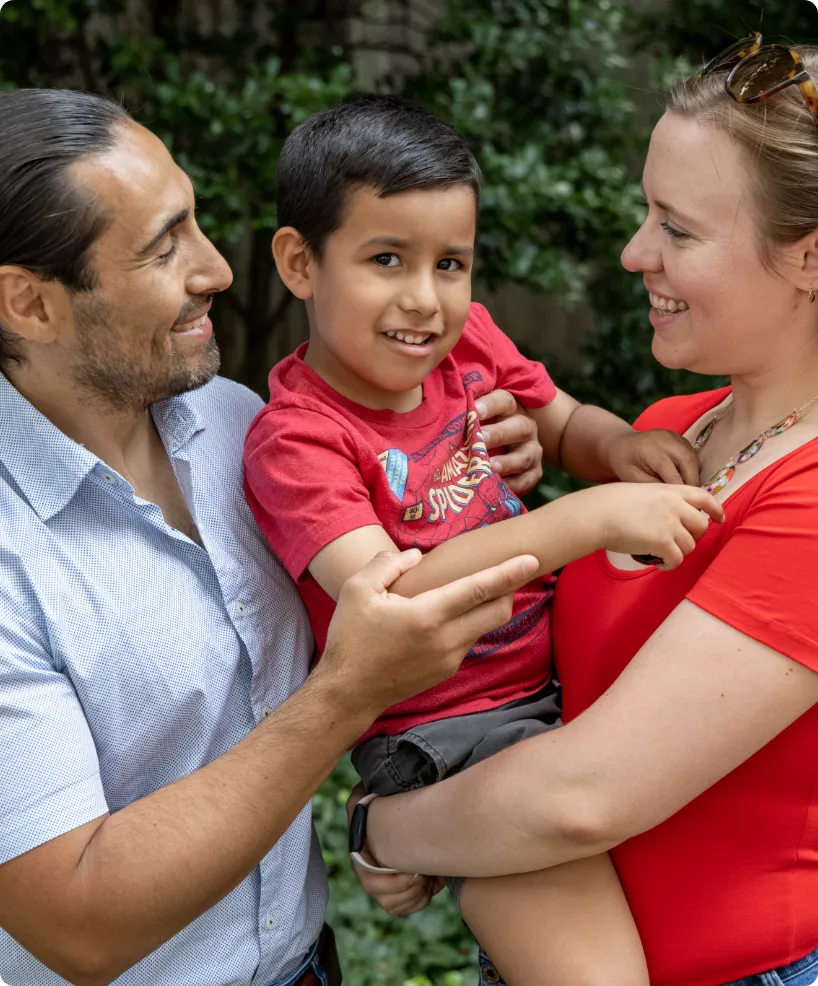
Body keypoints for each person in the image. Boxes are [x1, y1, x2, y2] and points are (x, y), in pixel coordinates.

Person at [0, 87, 553, 986]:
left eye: (197, 224)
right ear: (29, 304)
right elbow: (78, 921)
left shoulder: (238, 425)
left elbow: (351, 643)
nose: (215, 269)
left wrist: (474, 455)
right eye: (162, 246)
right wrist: (346, 693)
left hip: (310, 964)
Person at [351, 35, 818, 986]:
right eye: (646, 211)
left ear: (809, 258)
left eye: (678, 231)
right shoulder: (669, 429)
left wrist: (386, 825)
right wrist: (490, 474)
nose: (632, 251)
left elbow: (581, 795)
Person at [243, 94, 722, 986]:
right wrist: (588, 516)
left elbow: (561, 419)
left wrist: (614, 445)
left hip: (560, 684)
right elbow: (390, 602)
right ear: (299, 262)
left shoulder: (464, 348)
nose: (425, 301)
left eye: (451, 263)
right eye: (386, 260)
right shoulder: (298, 441)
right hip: (459, 732)